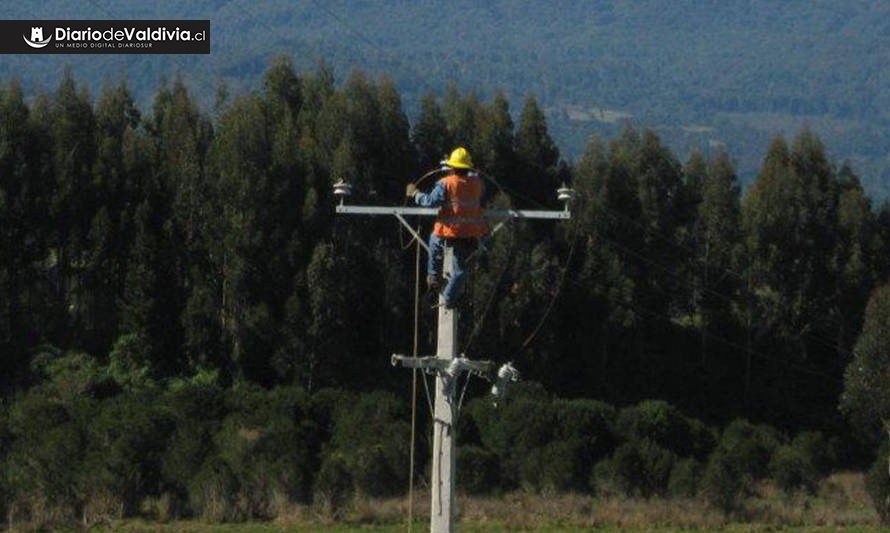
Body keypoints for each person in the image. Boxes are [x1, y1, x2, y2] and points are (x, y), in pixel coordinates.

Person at [406, 147, 489, 308]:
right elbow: (475, 185)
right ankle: (449, 298)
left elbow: (430, 201)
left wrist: (415, 193)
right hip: (468, 234)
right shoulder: (477, 184)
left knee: (434, 242)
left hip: (449, 231)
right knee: (460, 271)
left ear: (452, 167)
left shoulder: (447, 183)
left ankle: (433, 277)